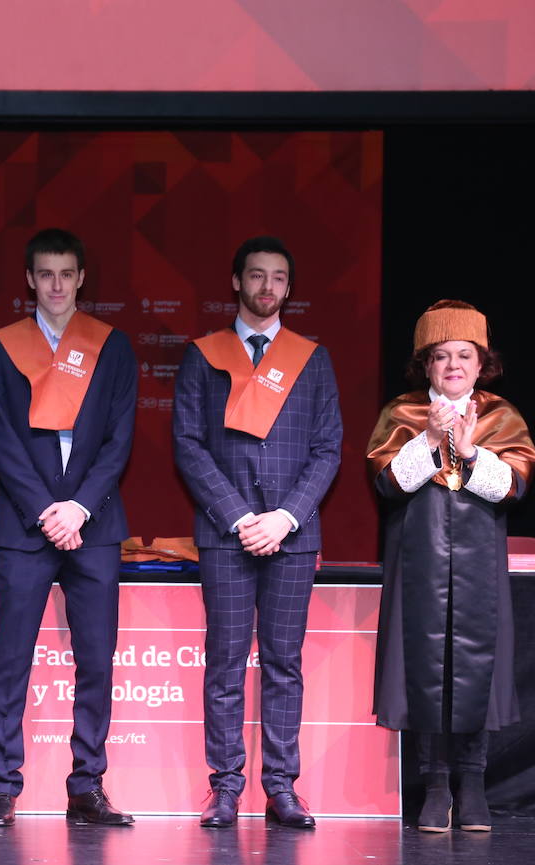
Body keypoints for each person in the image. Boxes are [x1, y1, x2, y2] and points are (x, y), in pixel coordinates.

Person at [173, 235, 341, 829]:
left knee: (283, 663)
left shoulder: (311, 358)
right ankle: (224, 787)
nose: (267, 287)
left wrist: (285, 517)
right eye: (256, 275)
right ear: (236, 281)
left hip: (291, 535)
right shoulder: (203, 355)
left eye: (278, 278)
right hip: (227, 534)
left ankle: (281, 787)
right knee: (224, 661)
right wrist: (240, 517)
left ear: (288, 289)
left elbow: (327, 449)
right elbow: (188, 445)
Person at [0, 228, 138, 827]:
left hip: (94, 524)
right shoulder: (2, 348)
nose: (56, 285)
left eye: (66, 274)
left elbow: (120, 439)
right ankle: (2, 785)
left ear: (81, 278)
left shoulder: (112, 346)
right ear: (29, 279)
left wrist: (80, 508)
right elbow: (1, 441)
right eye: (45, 274)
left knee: (96, 660)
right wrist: (48, 509)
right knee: (9, 658)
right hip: (26, 525)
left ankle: (86, 784)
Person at [366, 300, 535, 833]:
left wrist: (471, 450)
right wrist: (430, 439)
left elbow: (514, 487)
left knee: (475, 670)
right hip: (419, 558)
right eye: (441, 356)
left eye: (465, 355)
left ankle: (473, 783)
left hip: (479, 562)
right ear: (426, 365)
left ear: (482, 363)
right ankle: (436, 785)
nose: (454, 365)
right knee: (425, 666)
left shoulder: (501, 416)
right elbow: (388, 484)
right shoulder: (402, 414)